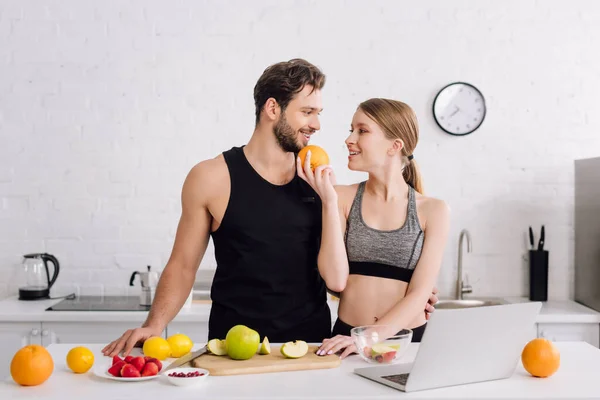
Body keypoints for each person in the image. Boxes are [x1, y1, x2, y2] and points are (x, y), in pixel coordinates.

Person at [102, 59, 438, 358]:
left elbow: (341, 273)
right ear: (272, 109)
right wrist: (154, 323)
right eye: (307, 112)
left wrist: (409, 291)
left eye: (318, 113)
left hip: (310, 347)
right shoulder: (211, 178)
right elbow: (183, 265)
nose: (317, 125)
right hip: (231, 347)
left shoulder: (320, 181)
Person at [297, 98, 450, 359]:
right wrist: (329, 202)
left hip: (407, 342)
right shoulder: (340, 197)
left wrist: (368, 339)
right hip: (345, 338)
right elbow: (335, 280)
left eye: (362, 130)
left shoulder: (433, 211)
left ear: (394, 146)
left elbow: (420, 292)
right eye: (351, 129)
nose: (349, 139)